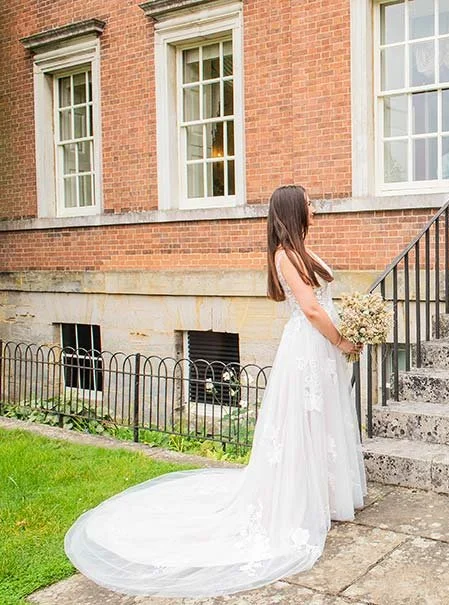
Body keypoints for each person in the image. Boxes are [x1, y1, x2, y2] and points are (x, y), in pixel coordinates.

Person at [64, 185, 366, 597]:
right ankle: (299, 501)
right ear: (295, 210)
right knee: (303, 420)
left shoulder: (303, 250)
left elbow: (323, 301)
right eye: (309, 204)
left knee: (323, 419)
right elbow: (311, 309)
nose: (315, 208)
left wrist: (355, 323)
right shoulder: (284, 255)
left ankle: (328, 495)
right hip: (310, 347)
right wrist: (342, 340)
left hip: (322, 346)